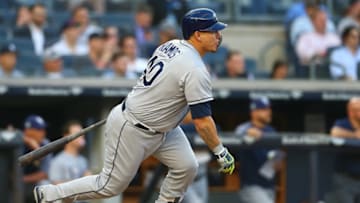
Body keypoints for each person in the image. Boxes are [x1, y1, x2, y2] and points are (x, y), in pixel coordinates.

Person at [34, 8, 235, 203]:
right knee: (109, 186)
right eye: (213, 31)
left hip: (161, 128)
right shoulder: (196, 69)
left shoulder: (171, 45)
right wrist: (220, 151)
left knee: (187, 166)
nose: (218, 36)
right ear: (198, 35)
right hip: (134, 127)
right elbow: (202, 122)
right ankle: (50, 194)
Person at [235, 97, 283, 203]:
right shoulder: (245, 128)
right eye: (264, 109)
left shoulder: (271, 131)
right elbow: (237, 136)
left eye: (268, 109)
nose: (269, 112)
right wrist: (247, 134)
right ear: (254, 112)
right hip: (251, 187)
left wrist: (277, 160)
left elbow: (277, 162)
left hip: (270, 186)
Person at [326, 97, 360, 203]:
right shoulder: (343, 123)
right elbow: (334, 132)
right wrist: (354, 135)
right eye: (358, 109)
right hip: (346, 178)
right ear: (351, 112)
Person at [49, 120, 91, 185]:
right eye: (77, 133)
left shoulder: (83, 160)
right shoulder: (57, 161)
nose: (81, 136)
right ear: (66, 136)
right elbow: (55, 186)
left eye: (82, 133)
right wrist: (81, 183)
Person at [22, 114, 52, 202]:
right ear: (28, 131)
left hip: (30, 184)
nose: (43, 133)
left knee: (45, 185)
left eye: (43, 129)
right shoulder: (17, 142)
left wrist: (36, 149)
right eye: (39, 130)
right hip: (12, 187)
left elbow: (44, 174)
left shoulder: (45, 143)